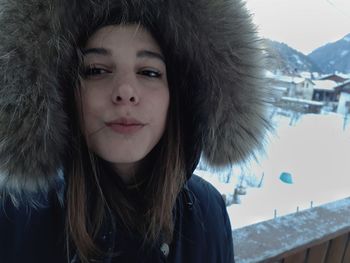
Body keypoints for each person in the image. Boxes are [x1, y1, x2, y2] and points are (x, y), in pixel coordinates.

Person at [0, 0, 270, 262]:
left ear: (176, 98)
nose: (125, 91)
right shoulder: (14, 216)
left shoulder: (208, 211)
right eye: (96, 70)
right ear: (63, 93)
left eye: (149, 72)